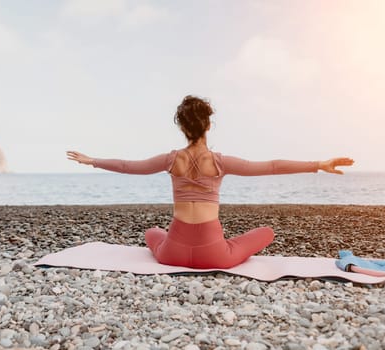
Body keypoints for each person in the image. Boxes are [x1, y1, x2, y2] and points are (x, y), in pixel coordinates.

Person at [67, 95, 354, 269]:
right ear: (208, 125)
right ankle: (220, 245)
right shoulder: (220, 162)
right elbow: (272, 166)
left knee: (152, 233)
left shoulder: (170, 160)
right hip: (215, 256)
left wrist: (92, 160)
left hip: (172, 254)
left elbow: (129, 166)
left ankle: (179, 243)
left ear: (182, 127)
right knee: (265, 232)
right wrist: (318, 164)